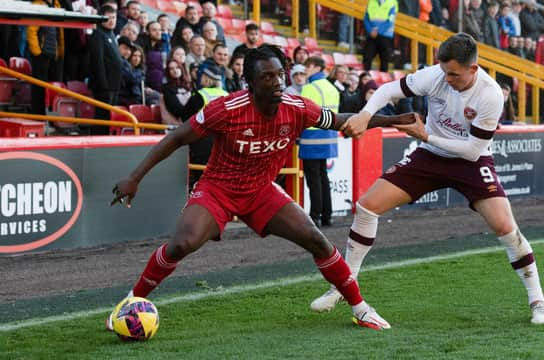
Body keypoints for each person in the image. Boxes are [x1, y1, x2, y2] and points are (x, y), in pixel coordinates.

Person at [108, 44, 419, 331]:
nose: (277, 81)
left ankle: (361, 308)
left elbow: (339, 120)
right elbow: (177, 137)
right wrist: (135, 177)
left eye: (280, 74)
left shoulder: (298, 107)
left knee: (315, 238)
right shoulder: (226, 109)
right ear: (250, 83)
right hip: (218, 188)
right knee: (182, 243)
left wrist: (391, 121)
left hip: (260, 190)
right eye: (267, 76)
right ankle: (130, 303)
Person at [311, 33, 544, 325]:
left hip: (471, 161)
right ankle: (343, 285)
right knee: (367, 206)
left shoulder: (489, 94)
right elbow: (389, 89)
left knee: (505, 226)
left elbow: (472, 150)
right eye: (444, 72)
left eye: (454, 74)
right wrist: (365, 115)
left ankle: (538, 301)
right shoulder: (437, 75)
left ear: (473, 69)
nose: (447, 79)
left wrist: (426, 134)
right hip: (430, 155)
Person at [299, 56, 340, 228]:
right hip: (329, 136)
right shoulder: (333, 88)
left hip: (311, 138)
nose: (305, 71)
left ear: (316, 67)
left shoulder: (309, 88)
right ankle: (327, 215)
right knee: (323, 177)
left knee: (313, 179)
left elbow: (303, 115)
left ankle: (315, 215)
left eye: (307, 67)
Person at [86, 4, 122, 135]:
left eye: (114, 17)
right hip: (104, 86)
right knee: (102, 115)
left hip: (114, 84)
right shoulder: (98, 35)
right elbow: (98, 62)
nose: (112, 20)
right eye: (109, 18)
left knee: (110, 115)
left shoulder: (111, 34)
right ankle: (98, 138)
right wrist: (103, 85)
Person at [363, 0, 398, 72]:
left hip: (385, 35)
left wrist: (377, 31)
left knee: (384, 60)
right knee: (367, 56)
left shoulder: (392, 2)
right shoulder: (371, 1)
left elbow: (390, 21)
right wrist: (370, 31)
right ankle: (365, 77)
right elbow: (366, 18)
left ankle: (383, 79)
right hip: (372, 35)